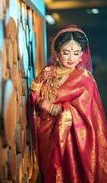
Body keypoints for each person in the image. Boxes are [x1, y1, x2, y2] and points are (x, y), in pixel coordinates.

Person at [29, 25, 107, 183]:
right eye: (66, 52)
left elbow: (88, 114)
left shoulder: (85, 78)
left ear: (81, 56)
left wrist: (54, 108)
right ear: (56, 54)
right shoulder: (48, 72)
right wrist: (40, 79)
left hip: (70, 139)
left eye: (76, 53)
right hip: (44, 133)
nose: (71, 57)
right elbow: (33, 99)